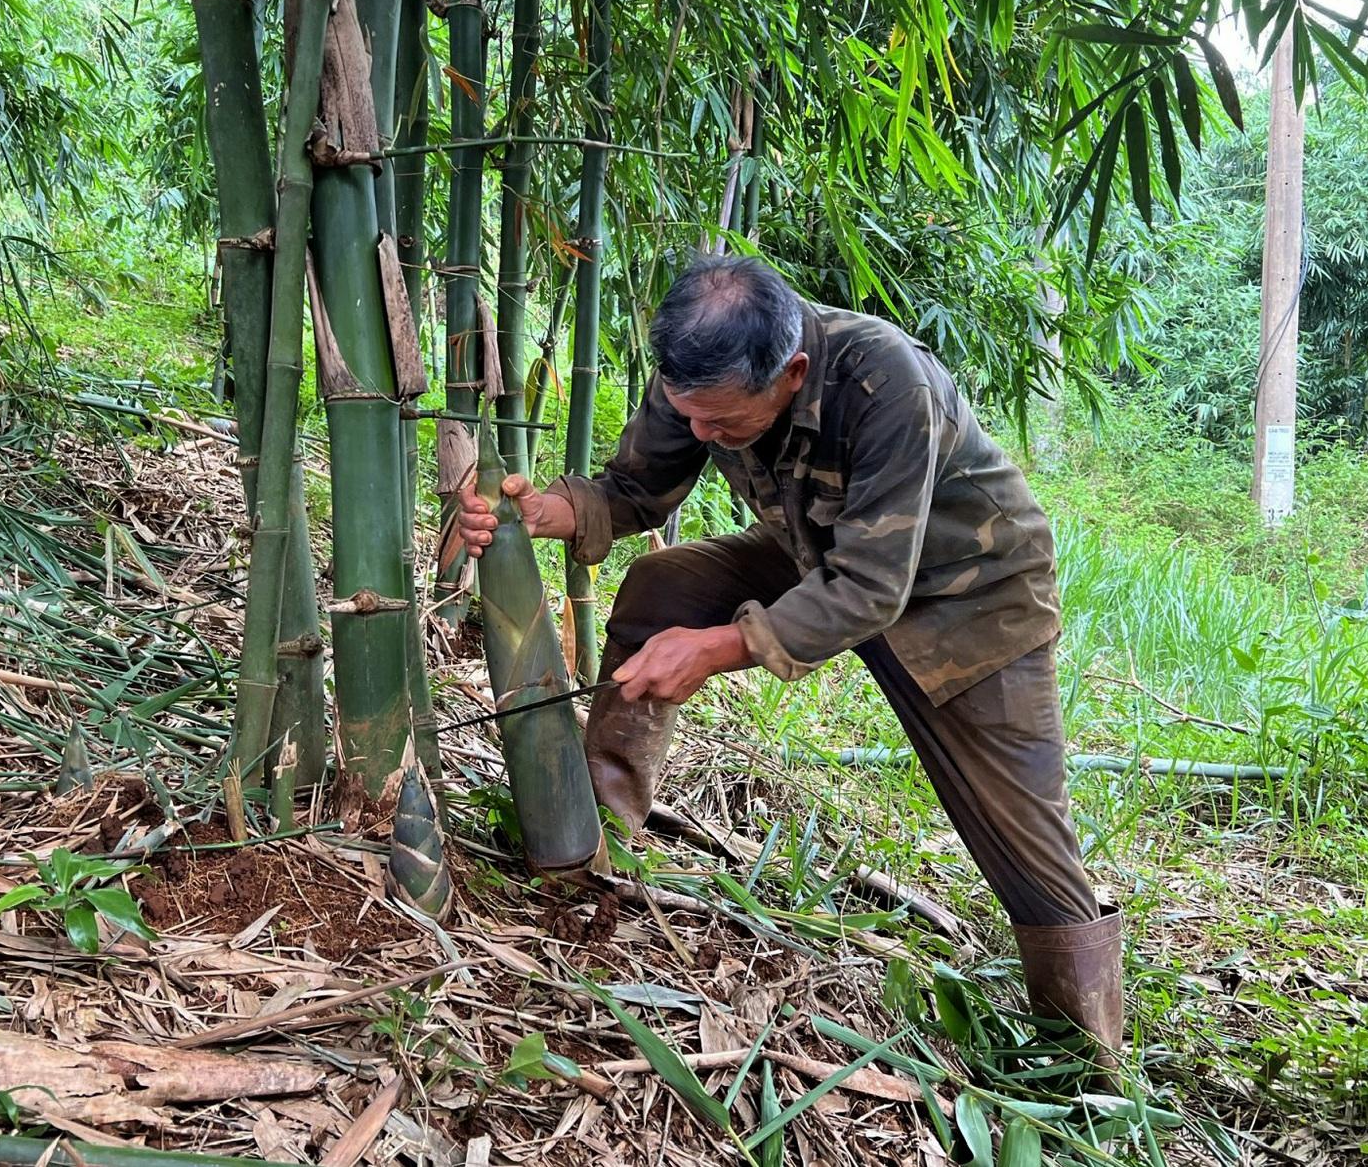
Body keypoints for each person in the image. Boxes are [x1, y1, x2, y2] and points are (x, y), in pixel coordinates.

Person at [456, 253, 1123, 1057]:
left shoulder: (887, 383)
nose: (701, 435)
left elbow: (873, 587)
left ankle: (1086, 1060)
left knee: (1028, 846)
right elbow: (634, 490)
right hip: (816, 554)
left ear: (792, 371)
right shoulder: (701, 370)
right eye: (689, 415)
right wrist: (547, 511)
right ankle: (598, 837)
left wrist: (720, 647)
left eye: (723, 425)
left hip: (967, 597)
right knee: (661, 590)